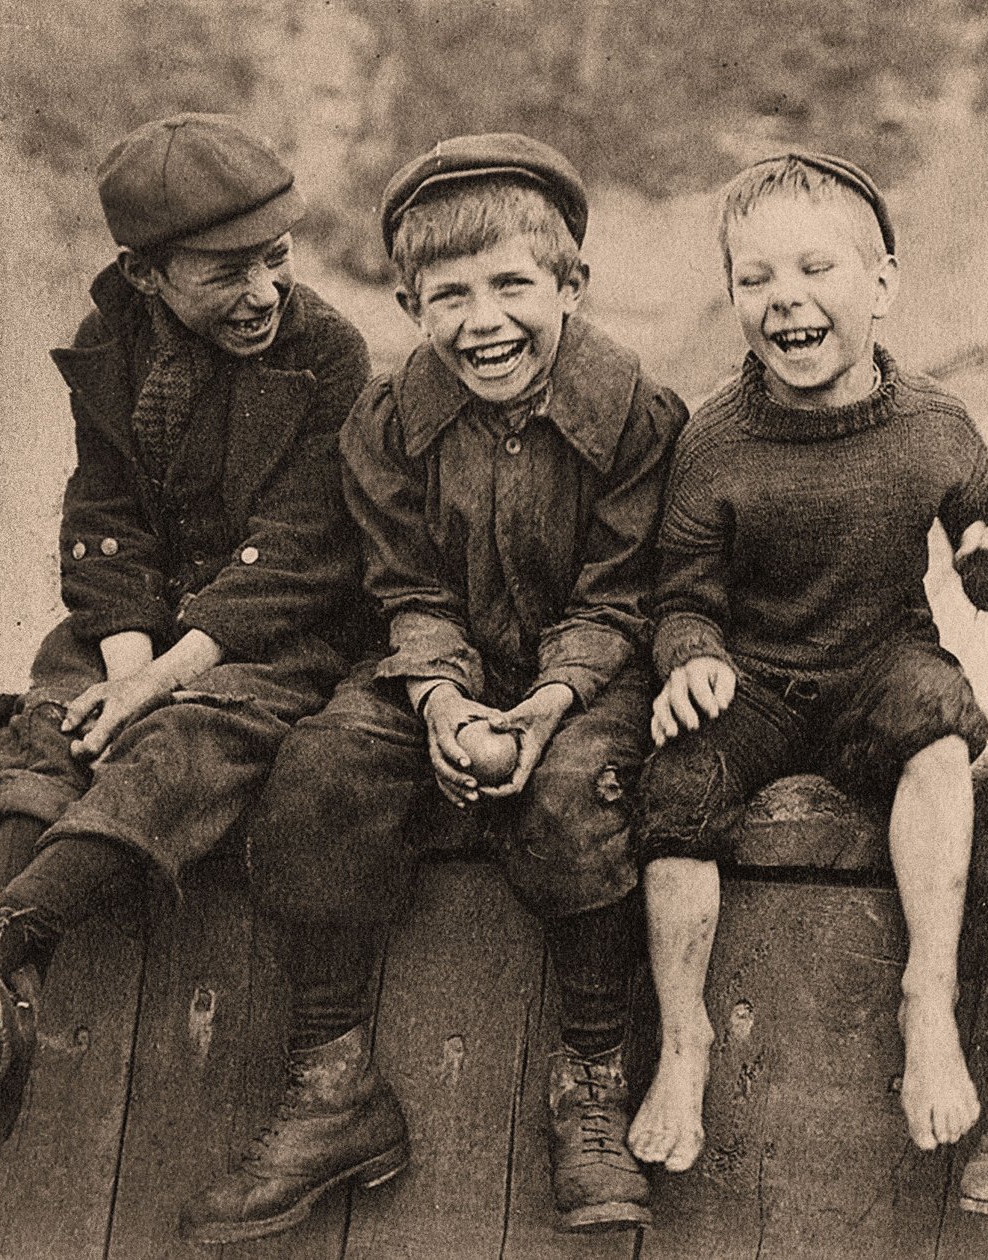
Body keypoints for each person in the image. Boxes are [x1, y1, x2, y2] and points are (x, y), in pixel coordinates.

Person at [177, 132, 688, 1244]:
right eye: (447, 295)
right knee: (321, 771)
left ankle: (590, 1083)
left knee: (571, 797)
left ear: (570, 284)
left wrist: (545, 705)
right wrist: (444, 705)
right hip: (433, 670)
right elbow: (405, 587)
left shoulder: (638, 417)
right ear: (409, 303)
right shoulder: (387, 417)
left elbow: (617, 601)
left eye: (512, 285)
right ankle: (333, 1086)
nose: (482, 321)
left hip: (583, 678)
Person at [0, 112, 370, 1170]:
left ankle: (7, 940)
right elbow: (106, 513)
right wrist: (125, 666)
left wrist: (163, 686)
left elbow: (301, 553)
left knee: (190, 744)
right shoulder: (112, 345)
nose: (263, 294)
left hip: (275, 639)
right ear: (146, 276)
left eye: (275, 261)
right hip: (141, 629)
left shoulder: (325, 353)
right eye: (226, 274)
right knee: (58, 721)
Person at [625, 152, 988, 1175]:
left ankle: (923, 1003)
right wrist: (693, 660)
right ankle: (683, 1041)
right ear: (731, 299)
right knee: (674, 770)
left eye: (814, 271)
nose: (785, 301)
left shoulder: (934, 426)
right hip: (750, 681)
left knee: (939, 719)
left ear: (880, 284)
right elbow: (681, 595)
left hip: (876, 665)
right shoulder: (712, 439)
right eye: (753, 281)